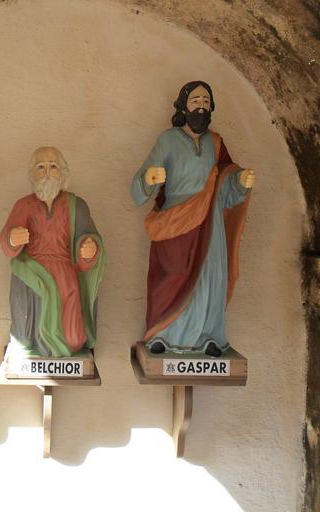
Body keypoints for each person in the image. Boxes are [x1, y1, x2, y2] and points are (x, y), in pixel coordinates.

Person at [131, 81, 255, 357]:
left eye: (206, 102)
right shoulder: (168, 140)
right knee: (172, 275)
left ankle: (208, 336)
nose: (201, 106)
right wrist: (150, 178)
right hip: (175, 222)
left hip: (210, 221)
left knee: (209, 278)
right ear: (183, 106)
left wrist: (239, 181)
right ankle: (162, 334)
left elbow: (225, 180)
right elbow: (137, 189)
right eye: (196, 100)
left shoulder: (216, 143)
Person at [0, 147, 105, 357]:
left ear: (63, 173)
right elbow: (6, 240)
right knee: (26, 298)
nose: (47, 172)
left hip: (65, 272)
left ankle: (64, 344)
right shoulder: (24, 205)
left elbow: (88, 236)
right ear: (32, 174)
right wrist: (12, 239)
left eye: (53, 166)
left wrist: (89, 249)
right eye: (41, 167)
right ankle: (29, 340)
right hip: (32, 270)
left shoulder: (77, 206)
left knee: (73, 338)